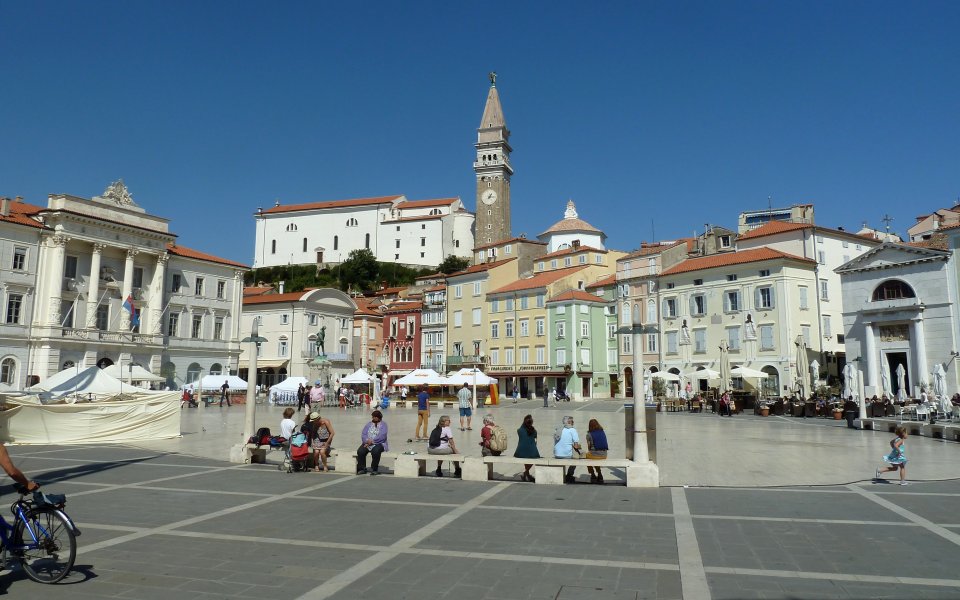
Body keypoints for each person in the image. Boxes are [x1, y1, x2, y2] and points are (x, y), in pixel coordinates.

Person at [357, 410, 388, 475]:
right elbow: (363, 434)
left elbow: (382, 436)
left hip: (379, 443)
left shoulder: (383, 425)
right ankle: (362, 468)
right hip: (367, 443)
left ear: (379, 417)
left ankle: (374, 469)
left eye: (376, 417)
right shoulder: (368, 424)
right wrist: (366, 441)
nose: (374, 418)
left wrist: (372, 441)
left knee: (375, 451)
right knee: (360, 451)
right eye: (373, 417)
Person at [553, 416, 581, 484]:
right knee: (576, 459)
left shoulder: (558, 429)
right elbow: (576, 445)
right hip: (567, 455)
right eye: (572, 421)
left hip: (557, 454)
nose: (573, 422)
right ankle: (569, 475)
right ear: (569, 422)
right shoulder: (572, 430)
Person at [514, 414, 540, 482]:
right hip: (531, 453)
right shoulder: (534, 431)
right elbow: (535, 442)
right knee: (533, 456)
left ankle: (527, 474)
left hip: (519, 453)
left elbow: (520, 429)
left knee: (526, 455)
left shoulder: (519, 430)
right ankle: (525, 472)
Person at [585, 419, 609, 484]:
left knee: (586, 458)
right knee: (594, 458)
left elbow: (589, 447)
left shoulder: (589, 434)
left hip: (595, 454)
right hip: (604, 455)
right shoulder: (602, 431)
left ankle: (593, 475)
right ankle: (600, 474)